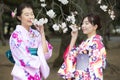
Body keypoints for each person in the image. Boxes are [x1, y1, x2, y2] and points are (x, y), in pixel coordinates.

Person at [9, 3, 53, 80]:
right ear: (19, 17)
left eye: (32, 14)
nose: (30, 17)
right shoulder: (16, 35)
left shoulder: (36, 33)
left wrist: (42, 33)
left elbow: (46, 54)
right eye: (27, 15)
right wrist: (41, 60)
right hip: (23, 74)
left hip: (37, 73)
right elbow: (23, 57)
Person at [58, 13, 107, 80]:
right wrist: (74, 38)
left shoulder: (96, 43)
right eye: (83, 23)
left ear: (95, 27)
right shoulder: (85, 43)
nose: (83, 26)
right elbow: (69, 56)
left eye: (86, 23)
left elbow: (94, 68)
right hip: (80, 75)